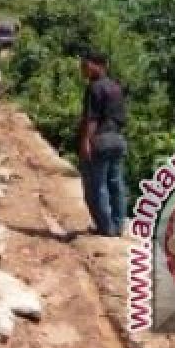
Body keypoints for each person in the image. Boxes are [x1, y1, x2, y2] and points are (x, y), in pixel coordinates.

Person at [77, 51, 128, 237]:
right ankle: (118, 226)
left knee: (96, 186)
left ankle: (105, 229)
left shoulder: (94, 87)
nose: (82, 69)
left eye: (85, 65)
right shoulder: (116, 87)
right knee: (116, 183)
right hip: (117, 139)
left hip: (100, 139)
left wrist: (85, 142)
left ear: (99, 65)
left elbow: (92, 119)